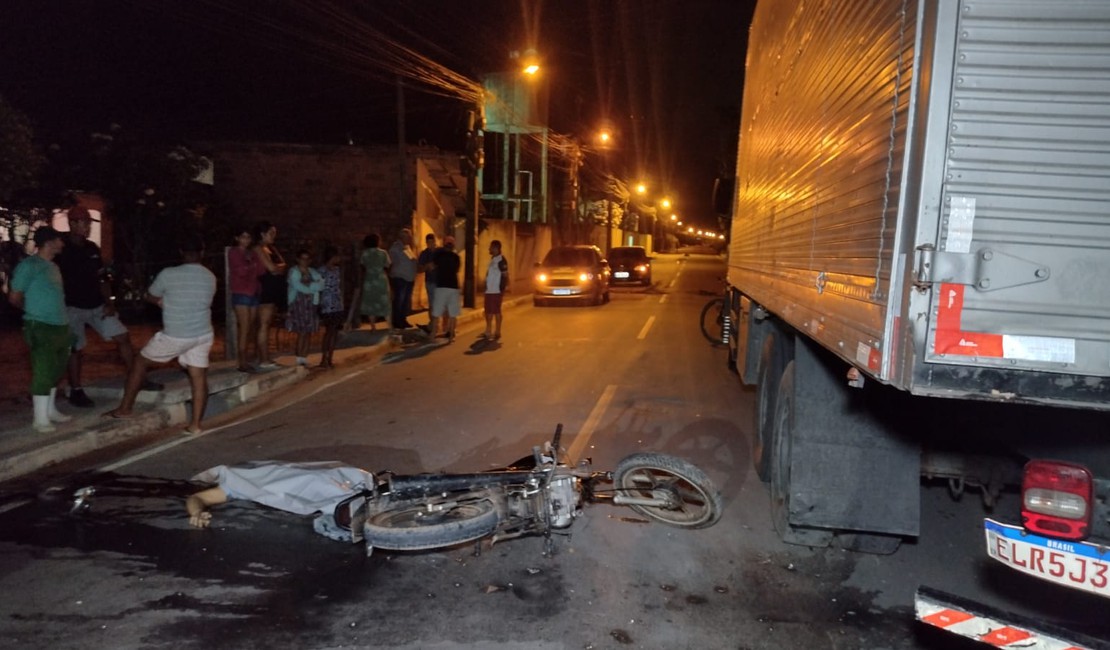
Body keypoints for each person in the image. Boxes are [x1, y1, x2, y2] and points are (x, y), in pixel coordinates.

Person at [105, 232, 216, 435]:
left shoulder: (168, 274)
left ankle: (125, 409)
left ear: (181, 252)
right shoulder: (210, 276)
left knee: (139, 362)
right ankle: (195, 425)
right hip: (202, 333)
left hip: (176, 334)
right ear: (202, 252)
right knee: (198, 376)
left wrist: (160, 302)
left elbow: (151, 295)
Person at [55, 206, 160, 408]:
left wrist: (109, 303)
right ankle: (76, 390)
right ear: (73, 223)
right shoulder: (62, 248)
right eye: (84, 223)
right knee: (75, 349)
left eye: (87, 223)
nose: (87, 227)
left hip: (96, 305)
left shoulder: (92, 248)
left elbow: (102, 278)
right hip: (71, 307)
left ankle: (137, 379)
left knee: (122, 336)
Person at [8, 226, 73, 432]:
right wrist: (34, 313)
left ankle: (50, 410)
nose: (62, 243)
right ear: (49, 242)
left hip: (60, 325)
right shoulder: (30, 265)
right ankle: (40, 419)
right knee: (43, 370)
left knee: (56, 369)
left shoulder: (53, 266)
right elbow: (14, 297)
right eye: (59, 239)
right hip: (40, 325)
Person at [227, 227, 262, 373]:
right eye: (243, 237)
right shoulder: (234, 252)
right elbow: (241, 270)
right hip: (241, 292)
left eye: (248, 237)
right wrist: (251, 266)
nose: (246, 240)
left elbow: (260, 270)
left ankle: (246, 358)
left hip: (253, 291)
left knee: (250, 328)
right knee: (245, 327)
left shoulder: (252, 253)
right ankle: (241, 361)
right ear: (237, 238)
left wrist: (251, 266)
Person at [254, 221, 287, 369]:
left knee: (266, 325)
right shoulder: (258, 248)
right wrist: (277, 268)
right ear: (262, 234)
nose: (274, 236)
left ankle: (263, 357)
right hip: (265, 289)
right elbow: (272, 268)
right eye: (271, 233)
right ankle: (264, 359)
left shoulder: (269, 249)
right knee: (263, 324)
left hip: (272, 289)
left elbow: (282, 266)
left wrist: (278, 268)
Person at [285, 248, 324, 367]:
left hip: (310, 304)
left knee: (308, 332)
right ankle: (299, 356)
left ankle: (304, 356)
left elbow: (321, 284)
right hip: (298, 304)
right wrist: (312, 288)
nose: (305, 261)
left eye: (307, 259)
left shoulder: (313, 271)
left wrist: (310, 287)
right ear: (298, 259)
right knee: (301, 332)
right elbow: (297, 286)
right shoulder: (294, 271)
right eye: (303, 259)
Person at [316, 245, 345, 369]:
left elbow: (340, 287)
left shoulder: (337, 270)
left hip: (336, 302)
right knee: (329, 331)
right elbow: (318, 288)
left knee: (334, 331)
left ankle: (330, 358)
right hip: (327, 302)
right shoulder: (321, 271)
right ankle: (324, 358)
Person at [429, 235, 462, 342]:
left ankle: (432, 335)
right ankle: (451, 335)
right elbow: (456, 270)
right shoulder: (456, 257)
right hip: (453, 286)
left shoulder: (438, 255)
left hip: (441, 286)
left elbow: (432, 266)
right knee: (452, 313)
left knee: (437, 312)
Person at [356, 233, 390, 331]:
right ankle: (389, 324)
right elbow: (387, 265)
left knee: (370, 301)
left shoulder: (364, 253)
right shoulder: (383, 253)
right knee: (384, 301)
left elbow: (362, 265)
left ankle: (373, 326)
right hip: (381, 278)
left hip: (369, 280)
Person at [388, 228, 418, 330]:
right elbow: (392, 262)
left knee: (406, 301)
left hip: (409, 278)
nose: (410, 239)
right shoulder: (395, 248)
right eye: (408, 237)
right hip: (400, 277)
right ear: (402, 237)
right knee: (399, 300)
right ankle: (396, 321)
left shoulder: (408, 247)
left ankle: (403, 319)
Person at [482, 239, 510, 341]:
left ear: (496, 248)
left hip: (496, 291)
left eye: (491, 247)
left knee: (496, 311)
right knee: (487, 311)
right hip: (489, 290)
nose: (489, 249)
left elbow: (505, 275)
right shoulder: (493, 260)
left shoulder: (501, 260)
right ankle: (488, 329)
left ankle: (497, 331)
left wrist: (502, 289)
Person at [416, 232, 438, 330]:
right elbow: (419, 269)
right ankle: (433, 324)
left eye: (432, 242)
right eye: (428, 242)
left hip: (440, 282)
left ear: (435, 242)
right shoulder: (424, 254)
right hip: (430, 282)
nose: (430, 244)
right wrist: (427, 266)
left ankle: (437, 325)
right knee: (432, 305)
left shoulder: (440, 252)